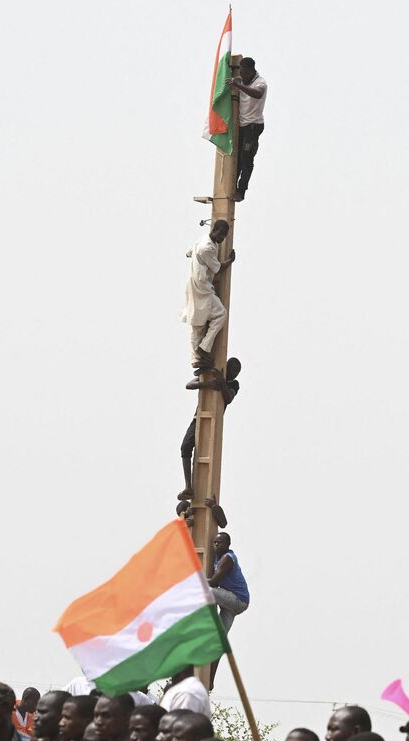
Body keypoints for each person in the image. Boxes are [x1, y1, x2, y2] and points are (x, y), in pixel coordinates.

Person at [178, 358, 241, 501]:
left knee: (206, 454)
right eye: (233, 368)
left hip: (214, 421)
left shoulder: (234, 384)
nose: (235, 372)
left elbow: (228, 398)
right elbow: (189, 385)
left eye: (238, 370)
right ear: (226, 366)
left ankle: (203, 492)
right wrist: (207, 384)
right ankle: (188, 487)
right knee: (185, 447)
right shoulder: (211, 375)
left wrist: (221, 383)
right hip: (198, 418)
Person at [181, 220, 235, 370]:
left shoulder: (203, 240)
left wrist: (191, 255)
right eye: (221, 234)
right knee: (220, 314)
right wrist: (230, 260)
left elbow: (189, 252)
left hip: (196, 285)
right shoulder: (207, 248)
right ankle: (204, 348)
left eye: (224, 236)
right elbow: (218, 268)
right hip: (202, 288)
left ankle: (196, 359)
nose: (222, 238)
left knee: (197, 322)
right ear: (214, 229)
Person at [226, 58, 267, 203]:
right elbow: (234, 80)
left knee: (246, 159)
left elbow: (258, 93)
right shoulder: (240, 79)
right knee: (236, 156)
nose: (241, 76)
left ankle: (241, 190)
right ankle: (231, 186)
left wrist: (240, 86)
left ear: (250, 71)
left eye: (244, 73)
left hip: (253, 126)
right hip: (242, 125)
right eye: (240, 73)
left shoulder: (260, 82)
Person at [208, 532, 250, 633]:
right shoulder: (218, 557)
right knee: (219, 637)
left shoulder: (227, 558)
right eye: (215, 542)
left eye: (220, 542)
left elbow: (213, 582)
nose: (216, 544)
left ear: (228, 544)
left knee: (207, 591)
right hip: (232, 604)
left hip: (237, 599)